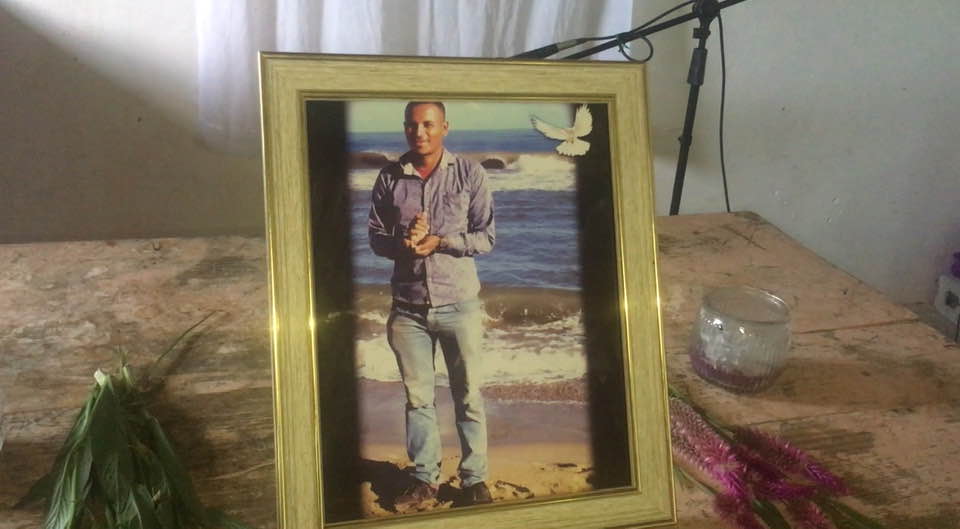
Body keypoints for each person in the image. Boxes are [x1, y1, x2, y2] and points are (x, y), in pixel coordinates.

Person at [367, 101, 496, 508]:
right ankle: (424, 478)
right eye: (412, 125)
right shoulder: (389, 177)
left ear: (445, 127)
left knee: (468, 395)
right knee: (418, 398)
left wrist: (441, 241)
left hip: (459, 303)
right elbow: (375, 238)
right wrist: (402, 243)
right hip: (408, 309)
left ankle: (474, 480)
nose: (419, 132)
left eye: (428, 124)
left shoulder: (470, 173)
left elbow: (486, 237)